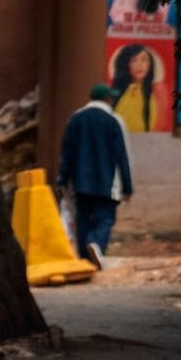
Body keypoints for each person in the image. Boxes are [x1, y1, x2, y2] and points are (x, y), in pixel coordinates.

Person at [57, 84, 134, 266]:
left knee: (82, 219)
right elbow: (122, 156)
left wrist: (62, 179)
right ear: (107, 99)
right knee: (105, 219)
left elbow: (66, 152)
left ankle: (85, 259)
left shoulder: (75, 119)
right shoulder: (113, 120)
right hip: (107, 183)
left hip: (80, 184)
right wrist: (127, 186)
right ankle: (96, 245)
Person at [110, 44, 168, 133]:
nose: (139, 65)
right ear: (126, 64)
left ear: (150, 64)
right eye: (134, 60)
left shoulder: (157, 92)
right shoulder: (117, 90)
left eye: (144, 60)